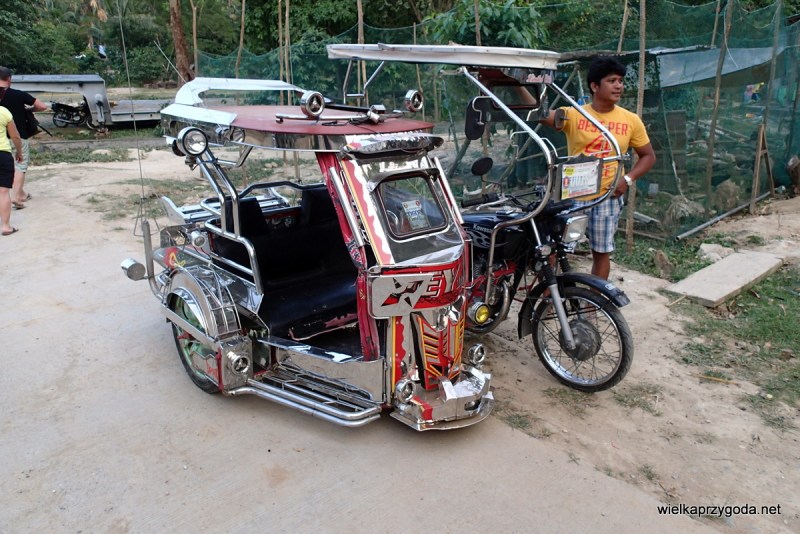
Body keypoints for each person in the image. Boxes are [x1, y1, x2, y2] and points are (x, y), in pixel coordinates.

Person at [540, 56, 656, 280]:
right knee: (556, 250)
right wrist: (520, 86)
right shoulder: (574, 114)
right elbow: (542, 116)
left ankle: (596, 298)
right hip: (573, 196)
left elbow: (648, 156)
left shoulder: (631, 120)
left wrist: (627, 180)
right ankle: (550, 296)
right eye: (611, 81)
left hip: (607, 196)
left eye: (620, 81)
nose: (618, 86)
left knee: (601, 252)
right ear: (595, 86)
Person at [0, 66, 49, 209]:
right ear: (9, 78)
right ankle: (16, 196)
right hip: (18, 136)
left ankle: (21, 194)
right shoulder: (19, 95)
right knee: (20, 166)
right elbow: (42, 106)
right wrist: (30, 109)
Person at [0, 99, 24, 236]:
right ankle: (5, 226)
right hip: (2, 154)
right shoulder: (3, 112)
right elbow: (15, 136)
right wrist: (19, 152)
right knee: (3, 192)